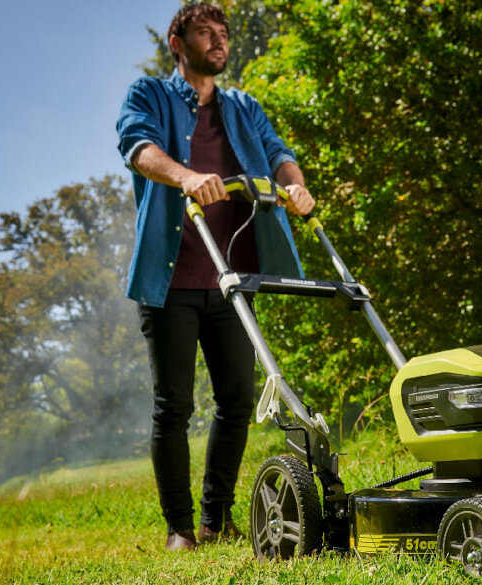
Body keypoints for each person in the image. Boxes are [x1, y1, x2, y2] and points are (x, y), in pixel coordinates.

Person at [116, 3, 315, 551]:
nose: (218, 40)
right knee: (174, 407)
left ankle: (216, 518)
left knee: (237, 400)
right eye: (204, 32)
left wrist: (295, 185)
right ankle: (180, 528)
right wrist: (186, 177)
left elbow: (278, 153)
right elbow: (138, 147)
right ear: (177, 44)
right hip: (170, 279)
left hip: (233, 279)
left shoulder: (243, 107)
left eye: (222, 32)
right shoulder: (149, 95)